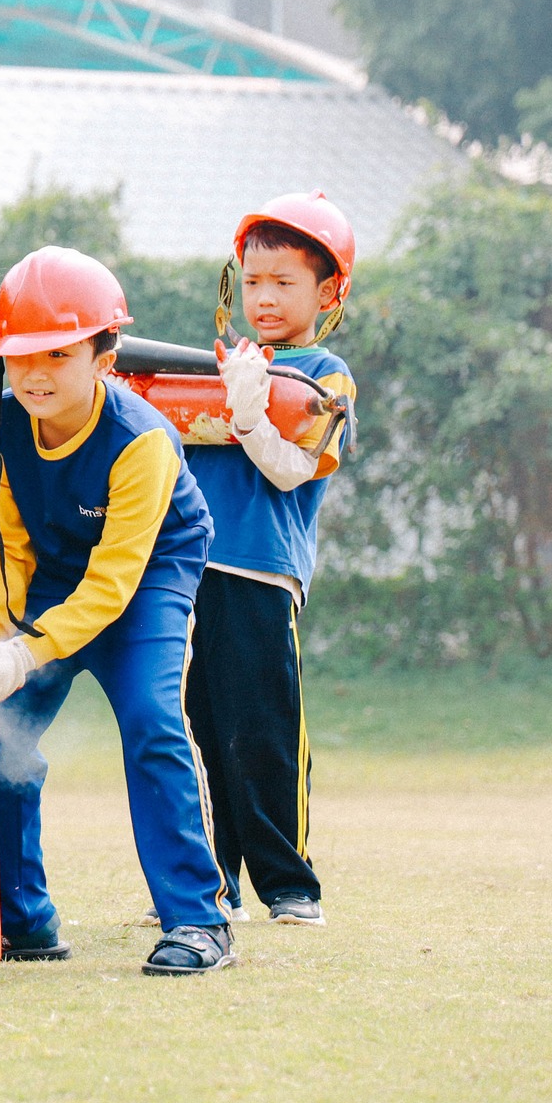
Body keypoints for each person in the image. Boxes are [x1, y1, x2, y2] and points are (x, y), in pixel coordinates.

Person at [0, 245, 235, 975]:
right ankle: (24, 920)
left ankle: (199, 922)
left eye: (59, 353)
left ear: (106, 355)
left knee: (151, 721)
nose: (35, 374)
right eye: (20, 356)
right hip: (52, 574)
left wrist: (28, 650)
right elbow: (0, 537)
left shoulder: (143, 443)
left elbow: (110, 586)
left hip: (147, 576)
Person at [178, 193, 358, 928]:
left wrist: (248, 414)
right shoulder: (217, 365)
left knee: (266, 731)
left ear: (328, 292)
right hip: (192, 573)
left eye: (285, 282)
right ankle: (211, 885)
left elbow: (293, 470)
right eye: (254, 282)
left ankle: (291, 888)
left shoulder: (327, 373)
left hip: (260, 573)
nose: (266, 297)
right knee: (203, 725)